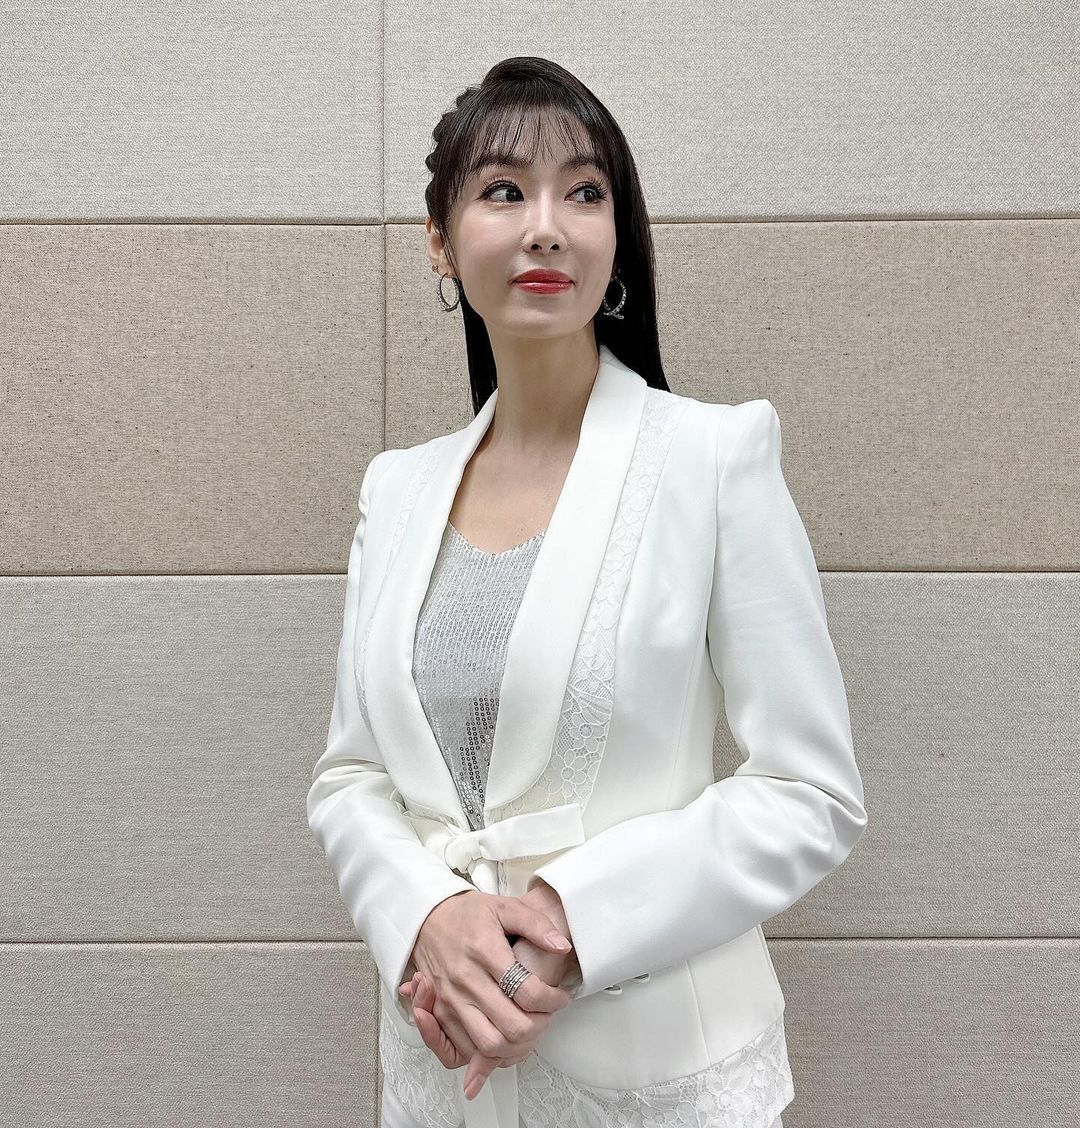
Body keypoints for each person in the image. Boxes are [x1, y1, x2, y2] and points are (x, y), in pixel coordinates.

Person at [307, 56, 867, 1128]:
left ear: (617, 236)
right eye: (503, 190)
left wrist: (571, 919)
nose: (546, 227)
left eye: (584, 192)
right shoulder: (397, 490)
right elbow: (351, 776)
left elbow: (810, 791)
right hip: (445, 1071)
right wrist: (427, 914)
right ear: (440, 241)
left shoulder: (713, 459)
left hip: (657, 1079)